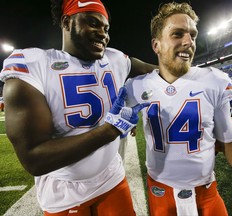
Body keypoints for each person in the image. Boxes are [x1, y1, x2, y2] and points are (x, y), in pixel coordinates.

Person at [0, 0, 156, 215]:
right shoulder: (35, 65)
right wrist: (111, 130)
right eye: (93, 23)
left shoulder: (115, 58)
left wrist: (194, 74)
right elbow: (34, 158)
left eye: (106, 28)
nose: (103, 33)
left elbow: (154, 70)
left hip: (111, 177)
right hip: (63, 191)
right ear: (66, 22)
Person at [124, 2, 232, 216]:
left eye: (192, 35)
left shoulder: (213, 80)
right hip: (160, 194)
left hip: (206, 193)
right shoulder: (136, 86)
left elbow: (231, 143)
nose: (188, 41)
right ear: (156, 45)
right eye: (177, 34)